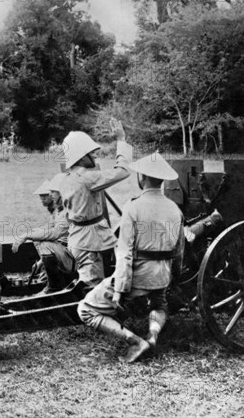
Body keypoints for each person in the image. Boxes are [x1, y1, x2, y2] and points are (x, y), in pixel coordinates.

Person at [77, 152, 184, 362]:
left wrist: (119, 290)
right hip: (162, 276)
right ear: (162, 180)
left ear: (141, 178)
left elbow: (124, 253)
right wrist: (172, 277)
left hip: (138, 277)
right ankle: (153, 335)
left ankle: (136, 342)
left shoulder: (133, 207)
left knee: (86, 309)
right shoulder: (175, 210)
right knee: (159, 304)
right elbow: (179, 251)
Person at [59, 120, 133, 288]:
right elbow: (123, 171)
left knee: (91, 282)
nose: (95, 155)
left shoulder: (66, 179)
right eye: (91, 153)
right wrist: (121, 140)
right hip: (88, 243)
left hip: (79, 239)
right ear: (80, 156)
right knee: (92, 288)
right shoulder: (87, 178)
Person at [13, 173, 76, 293]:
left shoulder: (66, 212)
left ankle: (54, 286)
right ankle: (52, 279)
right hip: (70, 254)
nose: (50, 195)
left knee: (44, 244)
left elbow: (54, 234)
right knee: (39, 238)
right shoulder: (59, 211)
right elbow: (46, 229)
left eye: (53, 192)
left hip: (75, 258)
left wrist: (27, 235)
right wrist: (41, 261)